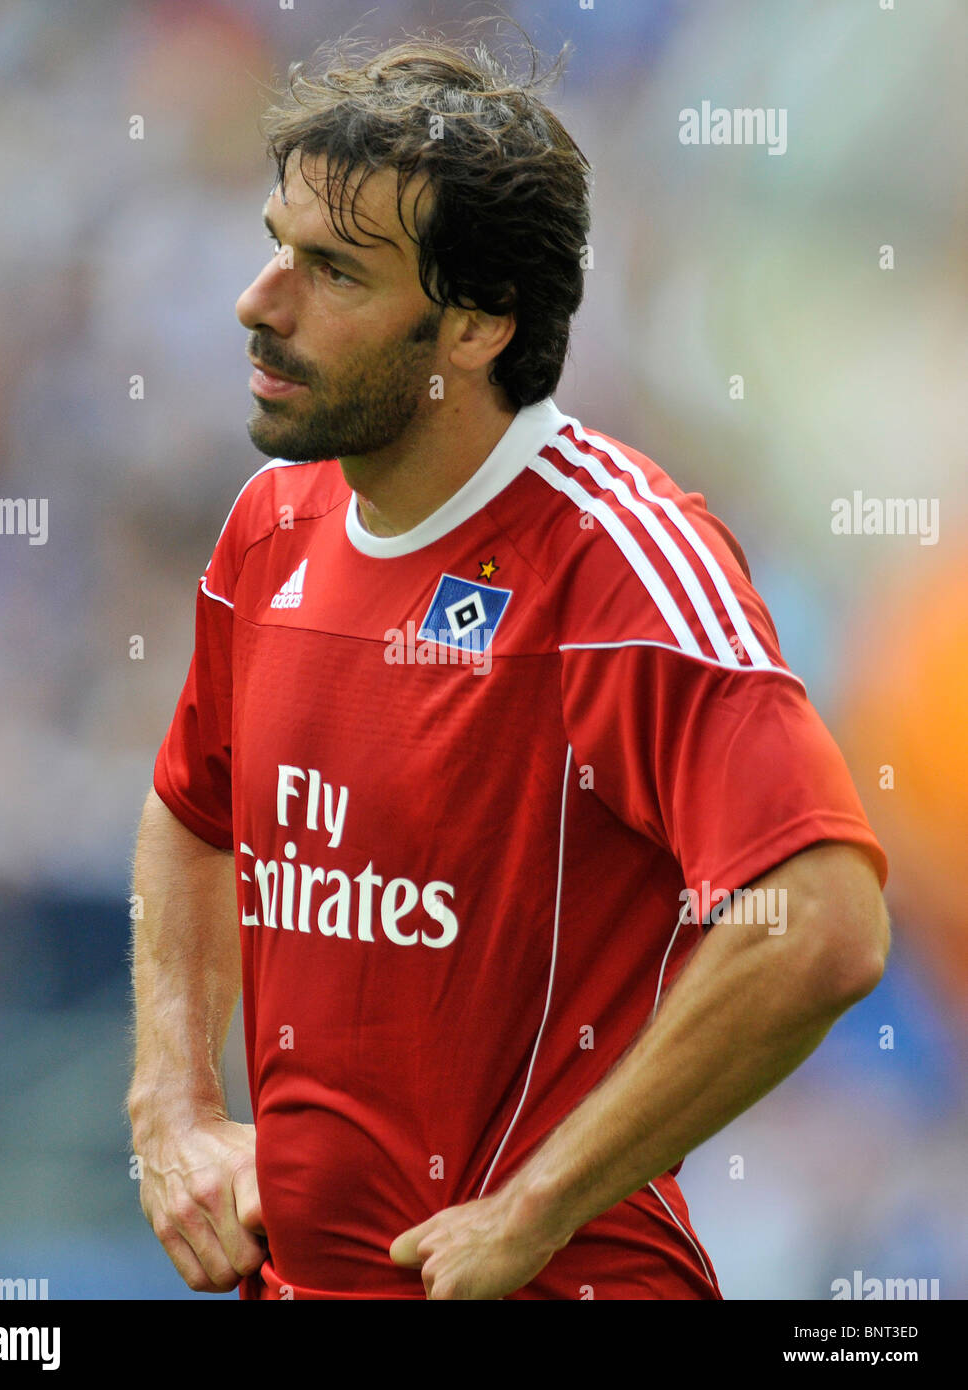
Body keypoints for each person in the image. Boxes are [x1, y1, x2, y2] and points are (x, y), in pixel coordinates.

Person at [127, 34, 889, 1301]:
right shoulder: (272, 530)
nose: (262, 302)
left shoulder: (618, 567)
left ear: (477, 323)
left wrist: (534, 1208)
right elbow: (193, 807)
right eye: (276, 246)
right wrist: (173, 1104)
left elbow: (818, 923)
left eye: (333, 272)